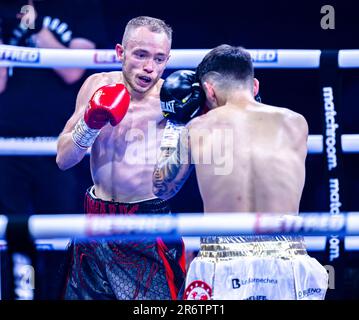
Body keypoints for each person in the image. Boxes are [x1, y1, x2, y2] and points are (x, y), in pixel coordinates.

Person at [153, 45, 329, 300]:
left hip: (223, 263)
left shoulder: (196, 128)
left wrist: (175, 122)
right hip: (289, 261)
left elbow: (161, 187)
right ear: (254, 86)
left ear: (208, 91)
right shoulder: (296, 122)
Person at [56, 16, 187, 300]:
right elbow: (63, 159)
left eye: (159, 58)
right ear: (120, 52)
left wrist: (181, 126)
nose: (149, 67)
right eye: (140, 55)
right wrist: (90, 124)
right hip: (94, 221)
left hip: (146, 225)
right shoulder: (96, 86)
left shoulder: (173, 102)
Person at [0, 0, 106, 299]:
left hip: (60, 143)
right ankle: (22, 296)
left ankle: (60, 295)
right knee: (14, 235)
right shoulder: (5, 8)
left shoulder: (80, 7)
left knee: (61, 233)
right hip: (9, 142)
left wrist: (38, 24)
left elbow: (73, 70)